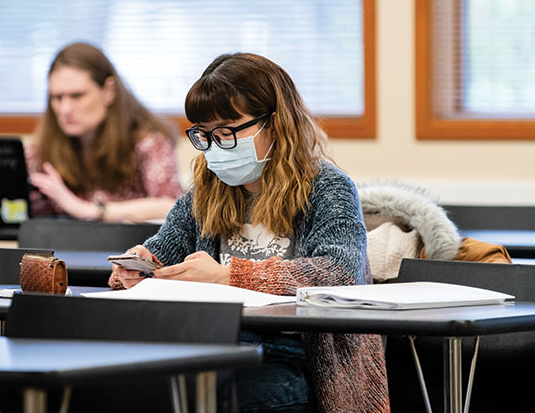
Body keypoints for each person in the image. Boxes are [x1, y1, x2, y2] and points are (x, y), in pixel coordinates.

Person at [110, 53, 389, 413]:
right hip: (218, 346)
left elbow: (338, 273)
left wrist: (229, 276)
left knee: (201, 400)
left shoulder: (327, 188)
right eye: (204, 134)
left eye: (227, 131)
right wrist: (140, 267)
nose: (214, 146)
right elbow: (164, 249)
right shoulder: (207, 190)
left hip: (301, 360)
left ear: (273, 122)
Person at [26, 42, 183, 222]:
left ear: (108, 91)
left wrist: (87, 210)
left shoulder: (149, 141)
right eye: (57, 97)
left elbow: (172, 206)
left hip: (129, 248)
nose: (65, 109)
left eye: (77, 96)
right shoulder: (42, 149)